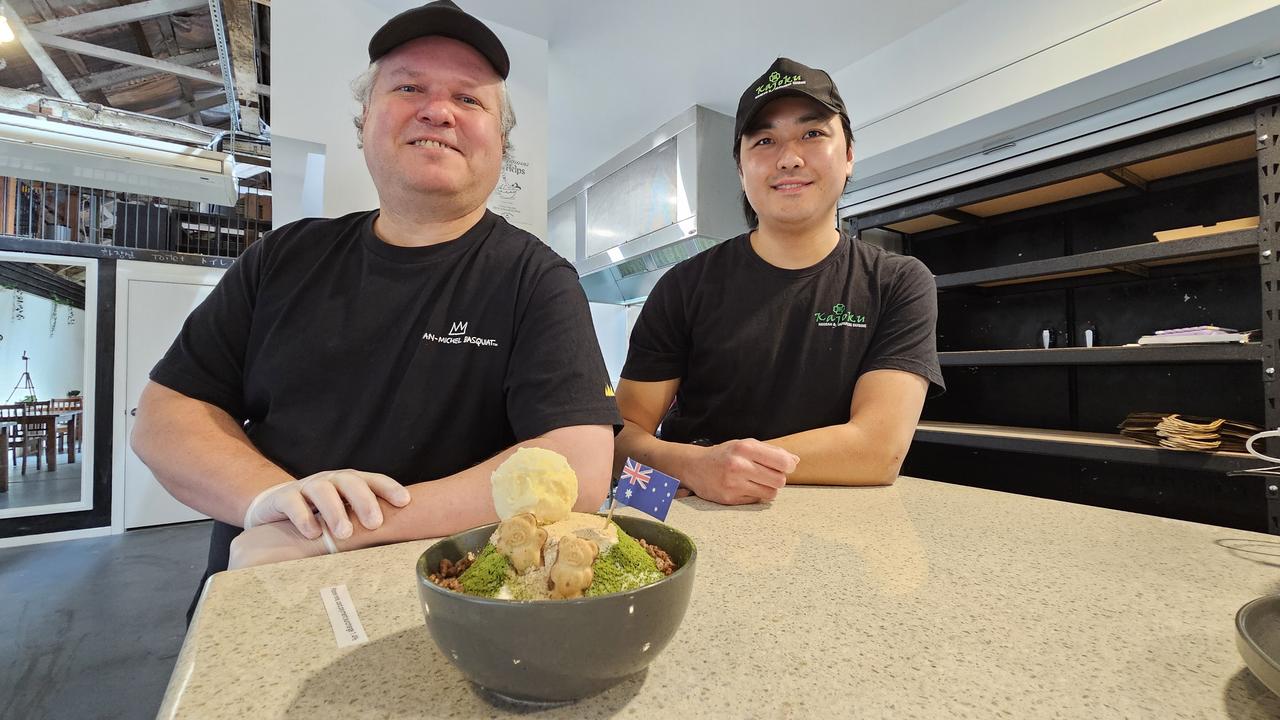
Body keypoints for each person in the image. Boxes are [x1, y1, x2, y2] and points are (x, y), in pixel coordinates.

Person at [131, 0, 620, 591]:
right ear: (364, 120)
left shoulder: (535, 278)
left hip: (443, 608)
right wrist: (269, 499)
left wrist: (334, 528)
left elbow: (580, 465)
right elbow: (166, 416)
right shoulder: (282, 257)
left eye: (469, 99)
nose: (438, 111)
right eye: (410, 87)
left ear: (502, 141)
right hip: (257, 594)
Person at [613, 58, 944, 506]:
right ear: (740, 170)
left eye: (812, 134)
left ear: (848, 156)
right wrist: (694, 466)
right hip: (696, 516)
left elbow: (879, 450)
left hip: (840, 533)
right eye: (765, 140)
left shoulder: (897, 282)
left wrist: (732, 465)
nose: (788, 158)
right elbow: (618, 443)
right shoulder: (684, 285)